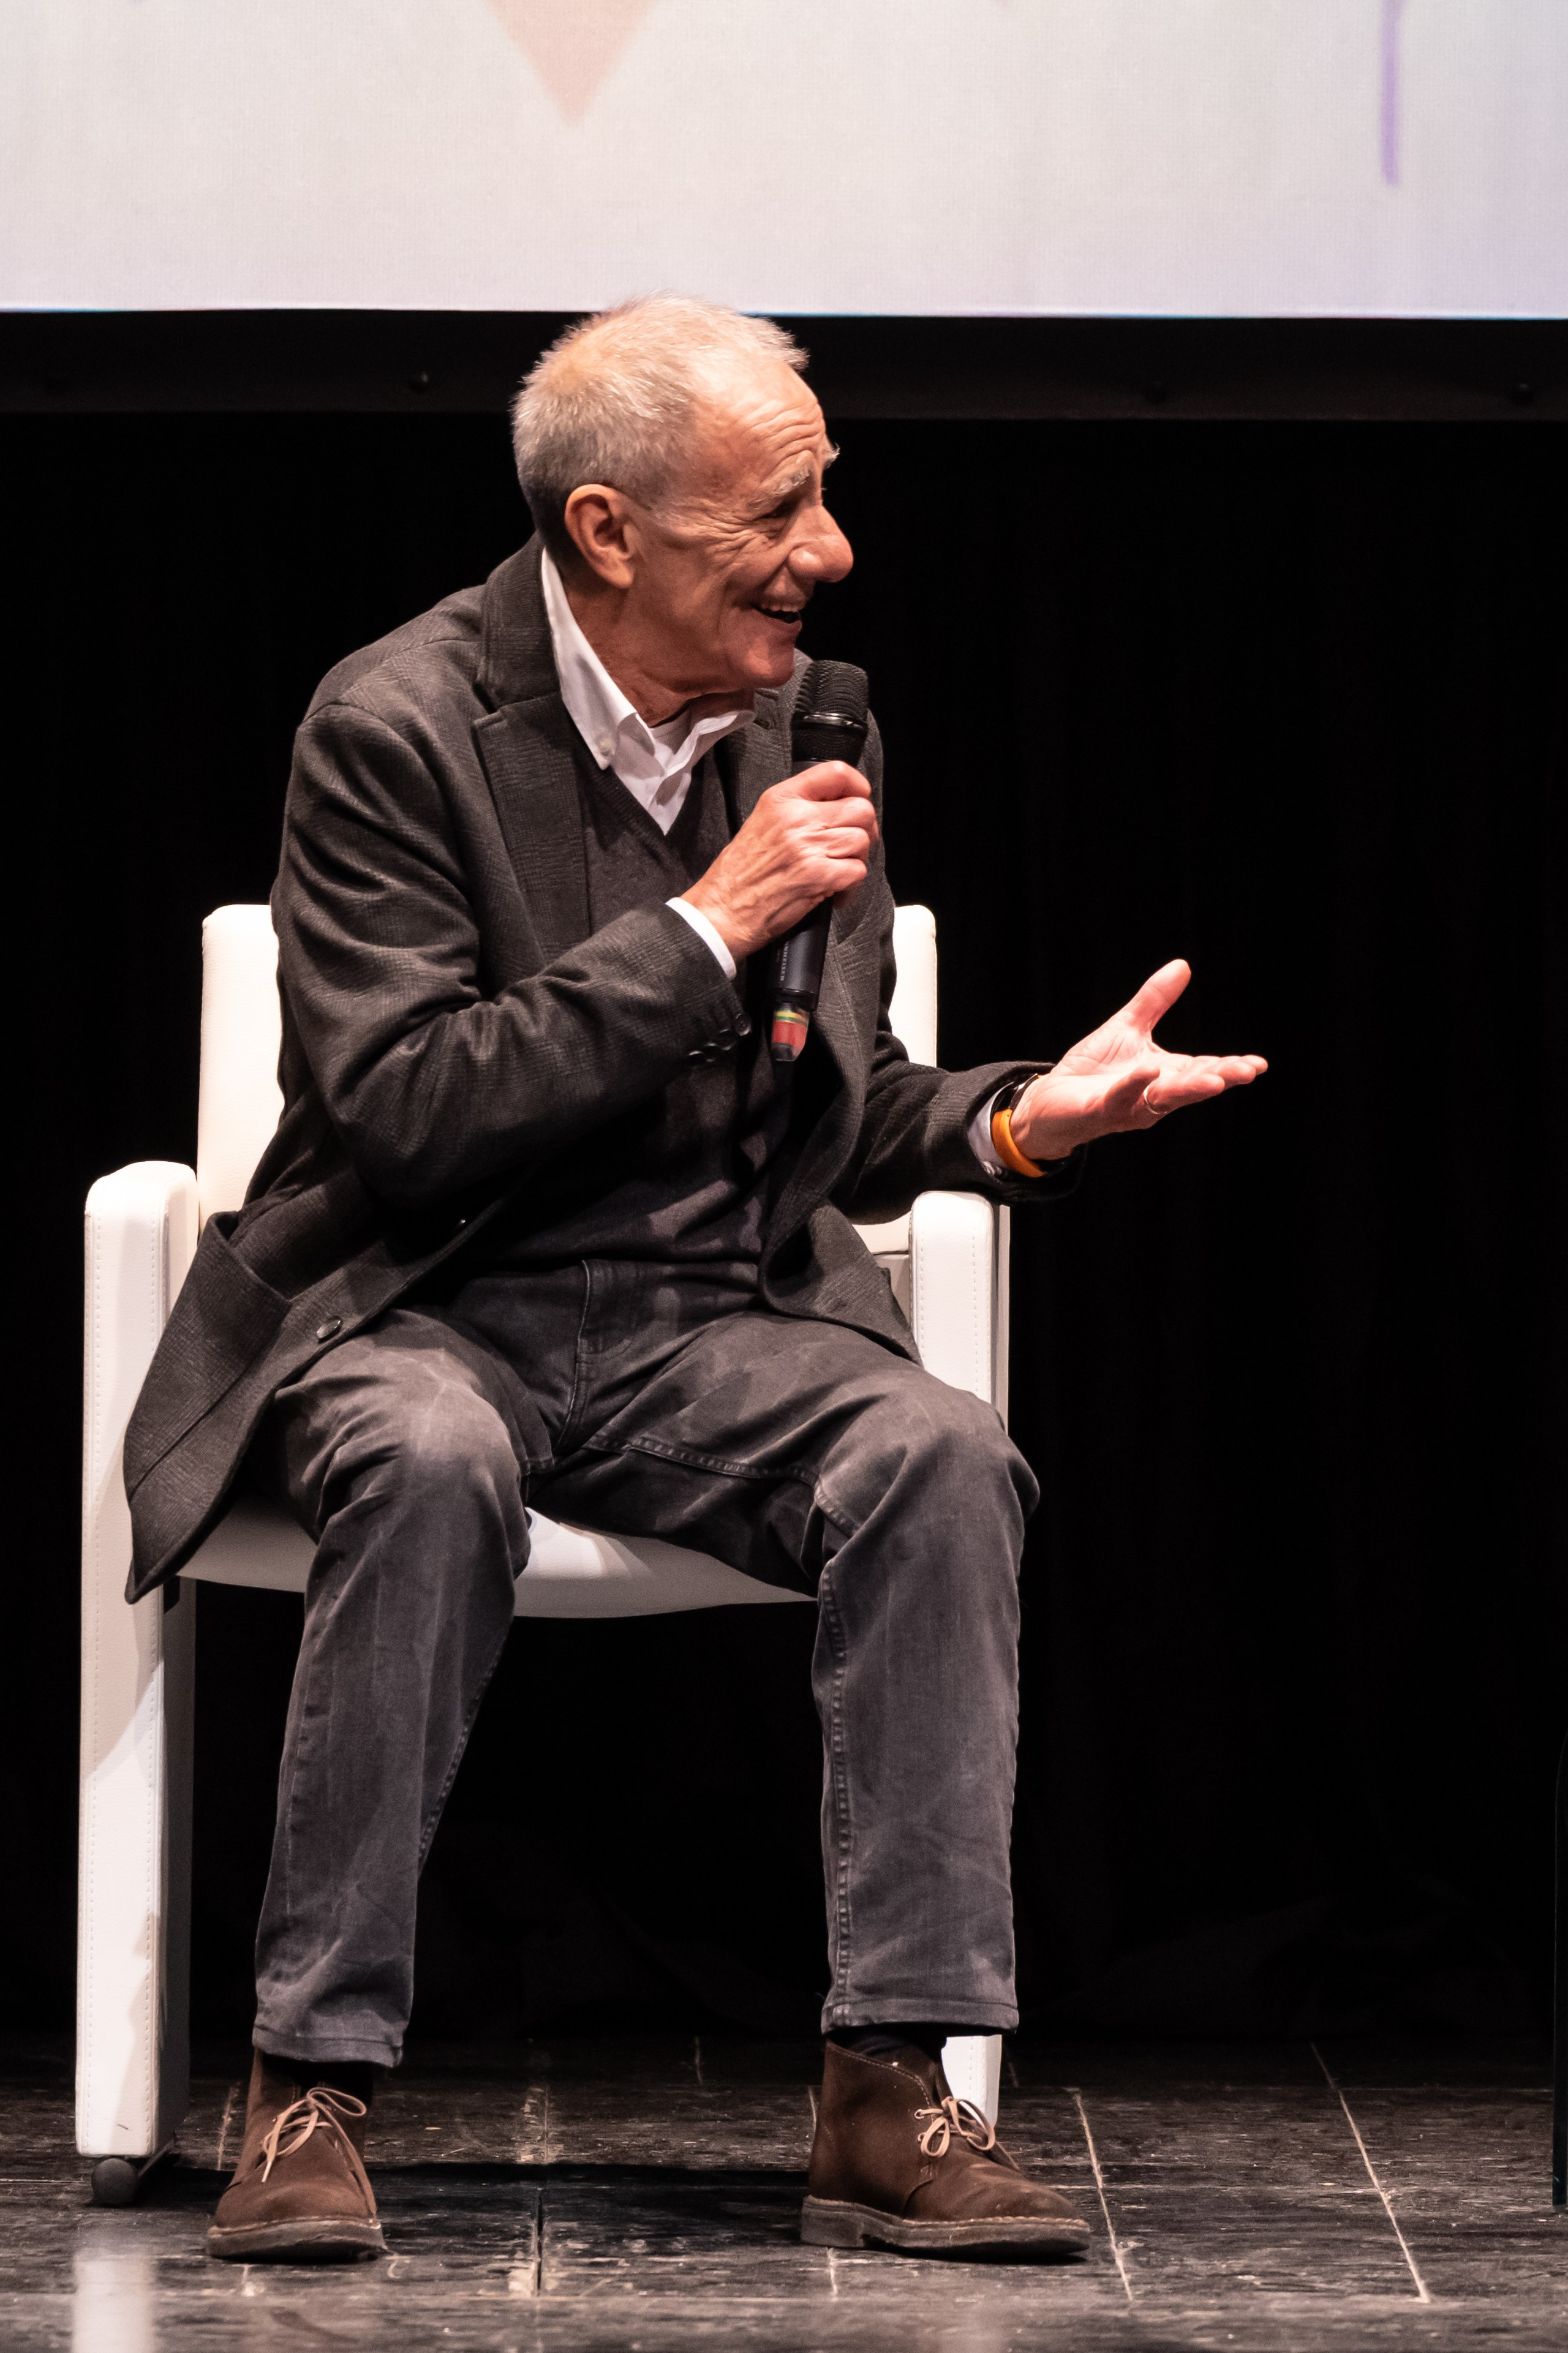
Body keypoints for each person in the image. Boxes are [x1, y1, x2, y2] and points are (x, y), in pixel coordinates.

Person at [124, 296, 1265, 2265]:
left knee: (941, 1456)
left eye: (826, 497)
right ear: (605, 532)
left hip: (703, 1323)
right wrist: (702, 922)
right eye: (781, 511)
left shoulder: (815, 717)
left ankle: (888, 2080)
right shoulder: (392, 724)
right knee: (428, 1460)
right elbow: (402, 1111)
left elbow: (850, 1098)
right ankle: (307, 2078)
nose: (830, 552)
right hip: (420, 1304)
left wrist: (1024, 1123)